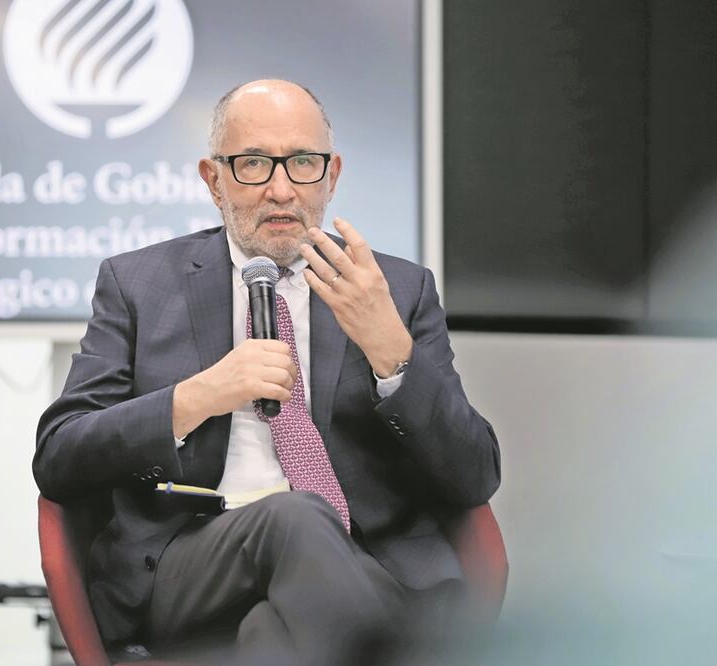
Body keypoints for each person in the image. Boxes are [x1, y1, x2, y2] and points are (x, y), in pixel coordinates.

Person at [34, 79, 500, 664]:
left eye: (302, 163)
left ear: (331, 175)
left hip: (364, 566)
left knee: (270, 638)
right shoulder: (139, 285)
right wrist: (197, 396)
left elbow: (473, 478)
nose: (281, 190)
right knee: (292, 517)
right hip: (190, 568)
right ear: (214, 179)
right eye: (254, 163)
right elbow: (58, 459)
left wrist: (393, 357)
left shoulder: (396, 292)